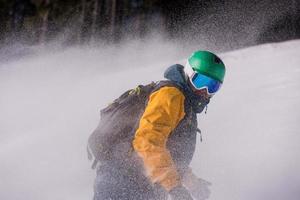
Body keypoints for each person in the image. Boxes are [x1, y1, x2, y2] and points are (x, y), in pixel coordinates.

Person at [90, 50, 226, 200]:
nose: (204, 91)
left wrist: (192, 183)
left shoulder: (186, 105)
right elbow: (147, 141)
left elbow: (171, 155)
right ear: (188, 73)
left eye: (212, 86)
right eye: (200, 82)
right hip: (125, 180)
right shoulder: (171, 96)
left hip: (140, 183)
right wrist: (174, 187)